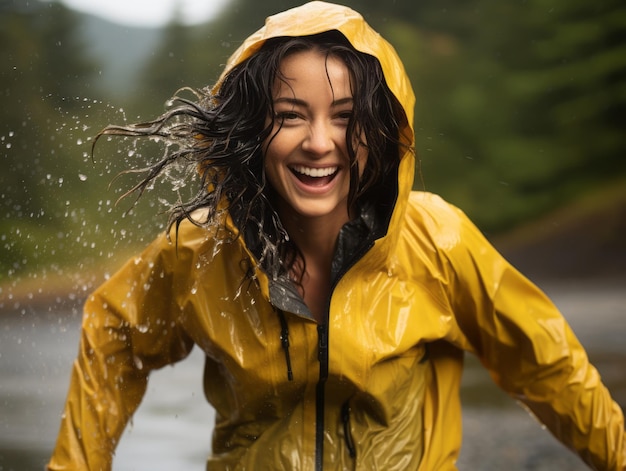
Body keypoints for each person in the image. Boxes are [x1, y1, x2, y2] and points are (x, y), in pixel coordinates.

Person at [47, 2, 625, 470]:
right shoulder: (199, 252)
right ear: (251, 129)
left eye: (346, 116)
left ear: (381, 129)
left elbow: (545, 366)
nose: (320, 142)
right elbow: (116, 336)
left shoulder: (437, 241)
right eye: (290, 115)